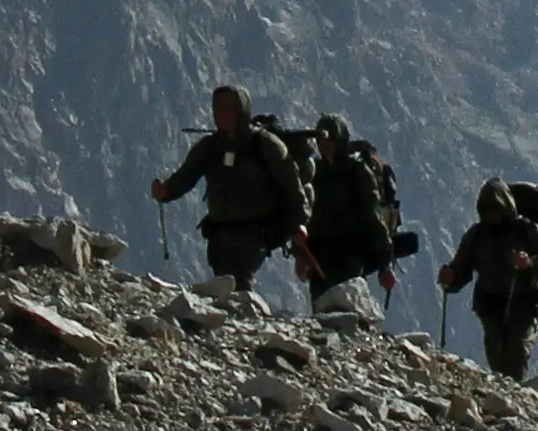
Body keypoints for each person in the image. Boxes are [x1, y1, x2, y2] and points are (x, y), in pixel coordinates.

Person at [150, 82, 307, 304]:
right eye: (219, 109)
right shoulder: (209, 147)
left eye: (229, 109)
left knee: (240, 281)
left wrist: (298, 226)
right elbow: (185, 177)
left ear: (241, 110)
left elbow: (292, 187)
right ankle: (234, 316)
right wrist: (166, 191)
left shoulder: (265, 145)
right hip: (218, 232)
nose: (223, 115)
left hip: (254, 231)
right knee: (223, 282)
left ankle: (241, 314)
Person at [438, 175, 538, 380]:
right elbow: (462, 267)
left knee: (517, 352)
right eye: (486, 210)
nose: (490, 215)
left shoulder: (527, 230)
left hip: (524, 304)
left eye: (494, 209)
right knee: (496, 358)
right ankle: (505, 394)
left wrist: (529, 263)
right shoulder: (476, 235)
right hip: (490, 306)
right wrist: (451, 276)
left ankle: (513, 394)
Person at [297, 115, 418, 321]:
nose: (324, 144)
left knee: (346, 310)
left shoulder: (357, 172)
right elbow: (306, 214)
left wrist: (384, 265)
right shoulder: (315, 172)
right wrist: (300, 254)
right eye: (321, 139)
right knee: (320, 311)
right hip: (319, 255)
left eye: (329, 139)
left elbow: (373, 219)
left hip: (350, 253)